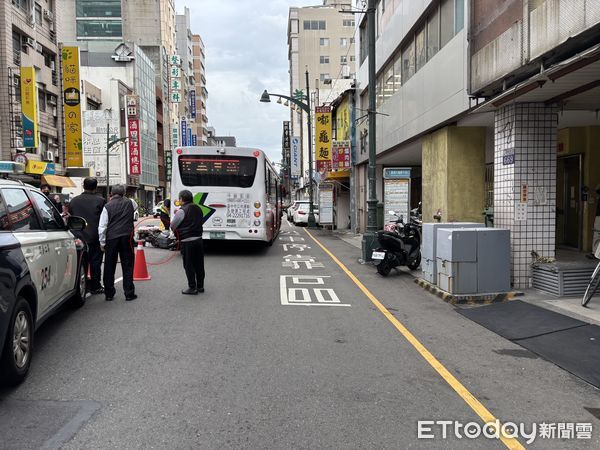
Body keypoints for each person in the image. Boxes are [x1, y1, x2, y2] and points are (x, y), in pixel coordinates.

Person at [99, 184, 138, 301]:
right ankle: (129, 293)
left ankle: (109, 293)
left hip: (111, 238)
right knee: (128, 264)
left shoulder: (107, 206)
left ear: (111, 194)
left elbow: (102, 226)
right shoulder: (130, 202)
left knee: (109, 265)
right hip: (127, 237)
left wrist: (102, 242)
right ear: (124, 193)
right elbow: (135, 208)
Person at [68, 177, 106, 295]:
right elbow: (104, 220)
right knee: (95, 261)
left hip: (77, 235)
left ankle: (79, 286)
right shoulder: (101, 201)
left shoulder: (74, 201)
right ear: (95, 187)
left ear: (83, 186)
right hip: (95, 235)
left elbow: (71, 216)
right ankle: (95, 286)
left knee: (79, 262)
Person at [171, 190, 205, 295]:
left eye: (179, 198)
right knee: (199, 264)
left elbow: (173, 226)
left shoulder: (182, 211)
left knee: (189, 265)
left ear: (182, 199)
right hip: (199, 240)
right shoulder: (199, 208)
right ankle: (200, 286)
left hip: (187, 241)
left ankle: (192, 287)